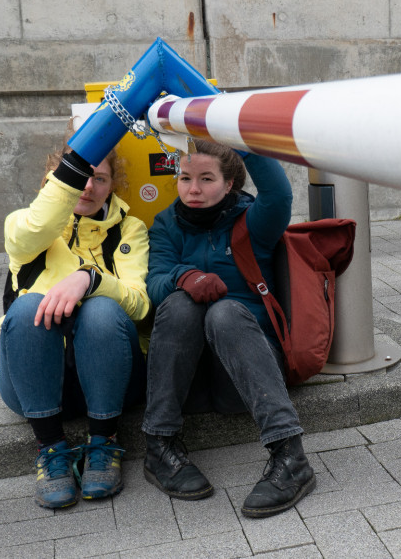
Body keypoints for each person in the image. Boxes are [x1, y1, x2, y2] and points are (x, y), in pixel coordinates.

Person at [142, 139, 314, 518]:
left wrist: (242, 140)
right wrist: (184, 276)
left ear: (230, 183)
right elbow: (153, 285)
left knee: (224, 313)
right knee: (179, 302)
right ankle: (159, 446)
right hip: (190, 380)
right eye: (185, 178)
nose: (194, 189)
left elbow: (278, 192)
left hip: (247, 373)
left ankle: (290, 456)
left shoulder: (254, 221)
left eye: (206, 178)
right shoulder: (167, 224)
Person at [0, 135, 150, 509]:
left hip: (112, 380)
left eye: (99, 177)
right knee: (27, 308)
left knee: (101, 309)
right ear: (53, 181)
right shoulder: (22, 225)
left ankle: (104, 443)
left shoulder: (129, 230)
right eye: (76, 176)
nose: (87, 186)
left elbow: (140, 305)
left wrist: (90, 279)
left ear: (112, 184)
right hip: (35, 385)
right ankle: (51, 450)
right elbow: (39, 224)